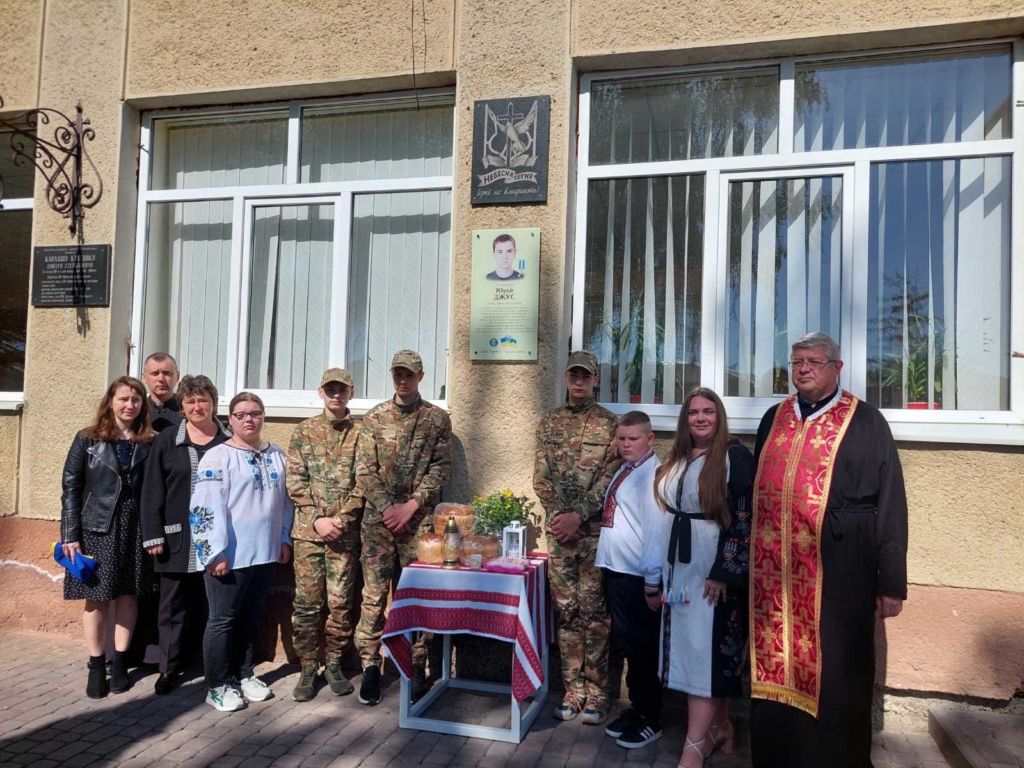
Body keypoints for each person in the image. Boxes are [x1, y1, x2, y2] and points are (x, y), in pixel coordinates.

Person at [749, 332, 908, 768]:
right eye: (797, 361)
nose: (803, 369)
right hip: (775, 579)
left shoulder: (866, 421)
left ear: (836, 367)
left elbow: (891, 502)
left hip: (842, 571)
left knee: (838, 671)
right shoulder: (774, 418)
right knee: (775, 665)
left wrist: (891, 582)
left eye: (813, 361)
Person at [639, 388, 755, 767]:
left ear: (719, 416)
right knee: (690, 649)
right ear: (684, 419)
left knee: (705, 654)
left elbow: (743, 520)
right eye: (693, 413)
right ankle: (720, 727)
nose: (701, 418)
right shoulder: (679, 457)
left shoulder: (735, 458)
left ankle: (693, 746)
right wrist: (655, 576)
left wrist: (723, 573)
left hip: (709, 571)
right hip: (678, 572)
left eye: (708, 411)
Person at [354, 350, 452, 706]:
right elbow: (364, 470)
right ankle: (370, 666)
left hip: (417, 521)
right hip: (378, 524)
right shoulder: (375, 417)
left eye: (409, 374)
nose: (402, 380)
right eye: (397, 373)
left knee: (417, 594)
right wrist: (387, 508)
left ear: (420, 376)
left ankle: (417, 666)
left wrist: (410, 506)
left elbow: (441, 468)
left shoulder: (436, 419)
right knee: (374, 595)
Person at [189, 392, 294, 712]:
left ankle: (244, 675)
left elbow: (285, 503)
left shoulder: (277, 455)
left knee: (250, 618)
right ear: (230, 419)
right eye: (241, 414)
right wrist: (213, 553)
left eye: (255, 413)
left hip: (264, 553)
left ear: (263, 417)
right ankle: (218, 684)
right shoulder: (218, 457)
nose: (249, 419)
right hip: (228, 557)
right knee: (223, 620)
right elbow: (204, 507)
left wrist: (284, 538)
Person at [534, 350, 621, 725]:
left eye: (586, 376)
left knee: (595, 615)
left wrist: (579, 515)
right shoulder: (548, 423)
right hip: (560, 536)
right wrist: (560, 517)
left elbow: (610, 478)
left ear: (596, 379)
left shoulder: (610, 425)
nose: (579, 381)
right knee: (567, 613)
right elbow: (541, 479)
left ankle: (599, 693)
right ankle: (573, 690)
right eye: (574, 375)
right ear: (566, 378)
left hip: (593, 535)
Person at [60, 376, 156, 698]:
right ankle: (96, 664)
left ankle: (120, 663)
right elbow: (71, 488)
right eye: (124, 399)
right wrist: (70, 534)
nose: (130, 405)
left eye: (136, 399)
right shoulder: (87, 439)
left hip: (136, 527)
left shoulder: (150, 441)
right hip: (97, 527)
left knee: (129, 595)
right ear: (110, 402)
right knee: (97, 598)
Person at [140, 375, 231, 695]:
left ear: (214, 404)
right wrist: (153, 535)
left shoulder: (228, 440)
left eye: (203, 400)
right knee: (172, 608)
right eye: (190, 401)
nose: (197, 406)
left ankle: (213, 664)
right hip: (176, 539)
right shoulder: (168, 440)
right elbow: (152, 489)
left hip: (219, 541)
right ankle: (168, 668)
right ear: (182, 406)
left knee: (214, 606)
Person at [286, 368, 364, 702]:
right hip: (309, 534)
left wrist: (341, 520)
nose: (336, 395)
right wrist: (318, 520)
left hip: (344, 535)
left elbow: (364, 482)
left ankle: (333, 663)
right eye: (330, 389)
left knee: (340, 604)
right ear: (321, 393)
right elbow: (295, 481)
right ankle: (307, 667)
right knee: (306, 604)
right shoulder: (304, 432)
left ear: (350, 393)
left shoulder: (362, 433)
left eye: (341, 390)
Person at [596, 411, 663, 748]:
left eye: (633, 438)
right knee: (629, 645)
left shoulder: (652, 476)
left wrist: (652, 583)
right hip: (618, 571)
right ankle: (638, 708)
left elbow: (656, 533)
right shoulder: (627, 468)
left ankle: (651, 716)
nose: (625, 444)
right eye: (621, 438)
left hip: (637, 577)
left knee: (643, 648)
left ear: (650, 439)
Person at [141, 353, 182, 434]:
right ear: (144, 377)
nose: (161, 379)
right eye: (155, 373)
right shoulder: (137, 410)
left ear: (177, 376)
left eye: (166, 373)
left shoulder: (187, 410)